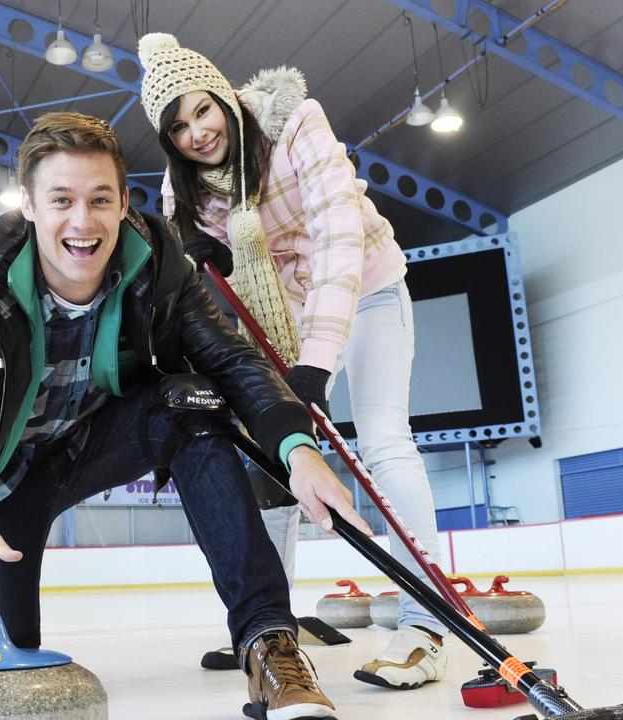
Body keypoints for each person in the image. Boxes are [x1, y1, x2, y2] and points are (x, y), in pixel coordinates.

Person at [0, 111, 371, 720]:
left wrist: (298, 449)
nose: (82, 221)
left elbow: (232, 360)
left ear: (125, 202)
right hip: (8, 480)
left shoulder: (160, 262)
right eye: (62, 200)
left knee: (194, 404)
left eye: (100, 199)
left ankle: (268, 645)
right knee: (3, 669)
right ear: (30, 206)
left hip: (108, 437)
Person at [138, 32, 449, 690]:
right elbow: (192, 295)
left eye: (202, 110)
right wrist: (195, 257)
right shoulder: (184, 190)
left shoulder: (295, 122)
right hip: (276, 325)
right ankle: (269, 624)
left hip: (364, 291)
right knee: (270, 463)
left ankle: (425, 624)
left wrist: (315, 365)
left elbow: (337, 237)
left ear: (223, 96)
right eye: (178, 128)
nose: (197, 133)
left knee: (385, 439)